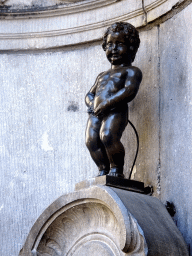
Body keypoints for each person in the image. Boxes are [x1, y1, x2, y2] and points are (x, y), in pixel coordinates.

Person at [85, 22, 142, 178]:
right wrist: (91, 104)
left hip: (115, 110)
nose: (113, 49)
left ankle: (116, 169)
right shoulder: (101, 75)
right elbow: (89, 94)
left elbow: (129, 91)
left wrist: (107, 104)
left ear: (131, 47)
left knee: (108, 136)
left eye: (119, 44)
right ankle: (103, 170)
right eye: (109, 45)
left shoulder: (132, 71)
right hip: (95, 113)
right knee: (91, 141)